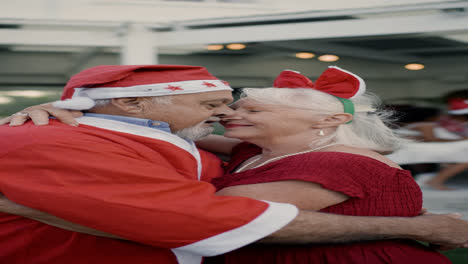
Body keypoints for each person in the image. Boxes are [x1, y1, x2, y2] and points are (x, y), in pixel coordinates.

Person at [1, 65, 468, 264]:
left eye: (247, 109)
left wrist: (33, 206)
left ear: (326, 118)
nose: (227, 115)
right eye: (218, 106)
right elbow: (193, 196)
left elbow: (185, 215)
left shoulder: (338, 164)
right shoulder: (253, 154)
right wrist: (69, 110)